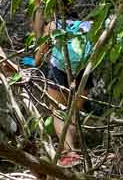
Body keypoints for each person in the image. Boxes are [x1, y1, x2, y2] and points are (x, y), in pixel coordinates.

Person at [34, 17, 94, 165]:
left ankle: (69, 152)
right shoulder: (91, 26)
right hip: (83, 71)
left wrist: (34, 63)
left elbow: (40, 55)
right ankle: (73, 151)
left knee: (58, 113)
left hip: (59, 71)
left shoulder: (54, 25)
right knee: (73, 112)